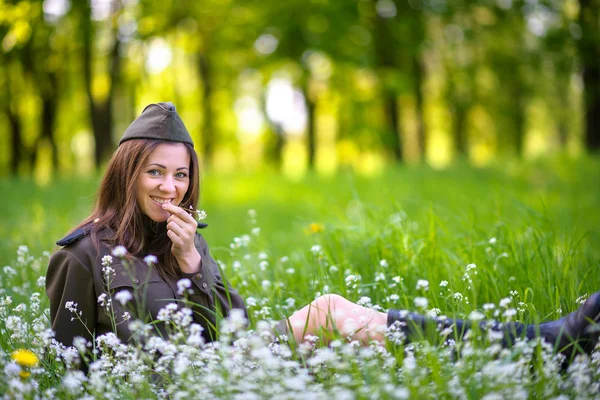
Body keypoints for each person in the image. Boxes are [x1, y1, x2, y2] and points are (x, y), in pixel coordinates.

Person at [46, 102, 600, 368]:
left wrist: (194, 263)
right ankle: (546, 345)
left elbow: (230, 326)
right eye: (155, 172)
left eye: (181, 173)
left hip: (224, 367)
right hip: (188, 384)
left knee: (338, 314)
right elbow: (69, 366)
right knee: (334, 318)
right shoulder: (83, 255)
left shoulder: (183, 236)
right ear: (127, 172)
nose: (170, 187)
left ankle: (539, 343)